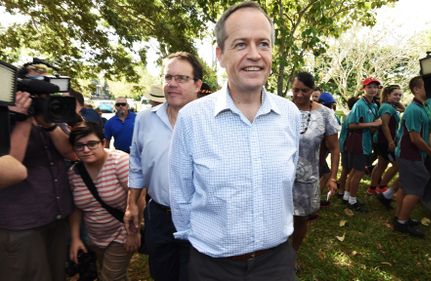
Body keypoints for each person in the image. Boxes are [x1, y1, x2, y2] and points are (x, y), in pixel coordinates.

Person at [168, 2, 301, 280]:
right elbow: (181, 195)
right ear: (220, 54)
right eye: (241, 44)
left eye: (263, 44)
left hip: (276, 263)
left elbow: (288, 181)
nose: (254, 55)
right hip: (212, 267)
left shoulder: (289, 114)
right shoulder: (192, 118)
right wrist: (205, 243)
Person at [125, 51, 203, 281]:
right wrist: (132, 205)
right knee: (162, 274)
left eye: (181, 78)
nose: (172, 84)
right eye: (168, 77)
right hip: (158, 217)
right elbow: (136, 164)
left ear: (197, 84)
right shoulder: (145, 119)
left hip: (198, 217)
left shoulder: (212, 123)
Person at [0, 88, 75, 279]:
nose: (40, 101)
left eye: (44, 96)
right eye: (32, 96)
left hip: (56, 217)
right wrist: (23, 119)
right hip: (23, 225)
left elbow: (70, 152)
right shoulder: (5, 121)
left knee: (57, 274)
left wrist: (49, 125)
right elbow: (11, 169)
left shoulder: (51, 118)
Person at [67, 121, 139, 281]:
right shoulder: (74, 173)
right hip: (94, 237)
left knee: (110, 278)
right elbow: (76, 209)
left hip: (121, 233)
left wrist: (134, 231)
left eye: (92, 144)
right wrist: (75, 238)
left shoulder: (119, 162)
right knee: (111, 275)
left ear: (103, 142)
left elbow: (137, 197)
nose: (86, 150)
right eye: (79, 146)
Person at [290, 72, 339, 257]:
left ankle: (292, 254)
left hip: (306, 179)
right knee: (276, 218)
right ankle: (275, 256)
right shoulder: (282, 109)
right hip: (279, 178)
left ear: (313, 90)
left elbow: (335, 148)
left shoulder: (324, 114)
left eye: (304, 90)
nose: (299, 94)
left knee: (300, 219)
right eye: (296, 90)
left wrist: (333, 177)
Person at [393, 76, 431, 238]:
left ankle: (399, 217)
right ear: (416, 90)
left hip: (414, 154)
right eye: (428, 85)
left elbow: (428, 132)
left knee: (406, 187)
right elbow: (415, 138)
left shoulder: (425, 106)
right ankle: (402, 222)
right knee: (418, 188)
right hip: (409, 154)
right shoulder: (413, 110)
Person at [342, 77, 382, 212]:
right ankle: (352, 201)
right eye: (369, 87)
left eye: (375, 87)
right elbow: (352, 125)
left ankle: (347, 196)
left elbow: (377, 120)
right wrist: (372, 124)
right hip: (358, 141)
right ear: (364, 89)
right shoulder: (359, 104)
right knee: (358, 172)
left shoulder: (374, 105)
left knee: (354, 171)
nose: (373, 90)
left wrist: (376, 124)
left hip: (366, 141)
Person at [369, 85, 403, 208]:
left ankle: (373, 188)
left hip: (383, 140)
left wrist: (396, 101)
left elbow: (403, 108)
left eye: (400, 95)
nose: (398, 97)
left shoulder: (390, 106)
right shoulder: (387, 107)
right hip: (384, 141)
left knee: (381, 164)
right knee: (397, 164)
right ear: (387, 95)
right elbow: (385, 126)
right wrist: (390, 141)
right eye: (395, 94)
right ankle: (382, 187)